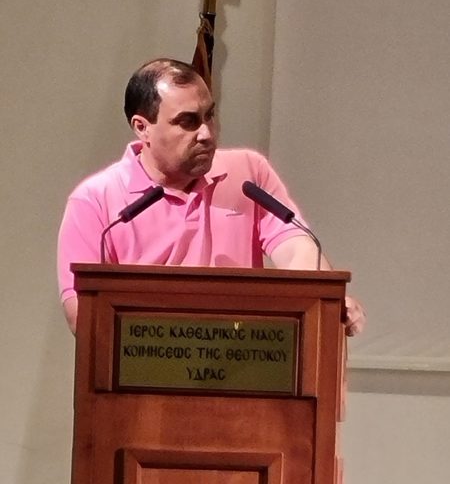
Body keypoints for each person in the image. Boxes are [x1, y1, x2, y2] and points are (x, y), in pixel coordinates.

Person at [58, 58, 366, 336]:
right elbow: (82, 314)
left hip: (244, 359)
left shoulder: (248, 174)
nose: (206, 133)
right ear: (142, 128)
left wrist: (325, 300)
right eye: (188, 121)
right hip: (149, 366)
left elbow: (295, 245)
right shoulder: (95, 201)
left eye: (210, 116)